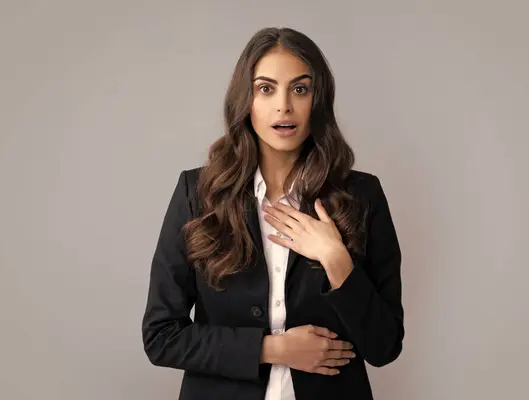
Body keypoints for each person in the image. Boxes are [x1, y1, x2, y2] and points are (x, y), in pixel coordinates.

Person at [141, 26, 404, 400]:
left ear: (319, 99)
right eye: (266, 88)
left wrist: (336, 261)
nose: (284, 106)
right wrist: (273, 349)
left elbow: (385, 346)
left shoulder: (361, 195)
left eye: (300, 89)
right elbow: (161, 336)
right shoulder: (198, 194)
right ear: (245, 100)